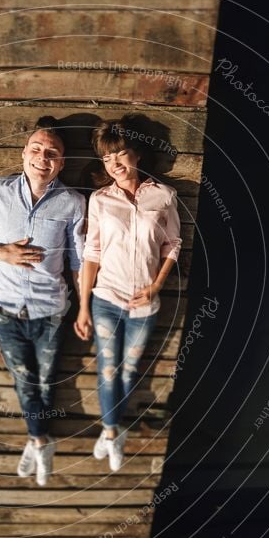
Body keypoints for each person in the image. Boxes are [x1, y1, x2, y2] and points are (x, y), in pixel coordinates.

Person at [0, 121, 85, 485]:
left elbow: (78, 261)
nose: (42, 157)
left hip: (50, 309)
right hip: (7, 306)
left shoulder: (73, 202)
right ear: (23, 152)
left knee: (47, 382)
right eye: (35, 148)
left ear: (61, 163)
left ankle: (38, 442)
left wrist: (84, 308)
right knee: (23, 380)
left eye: (51, 153)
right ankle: (39, 440)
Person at [74, 116, 182, 471]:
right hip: (105, 298)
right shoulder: (101, 200)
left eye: (120, 154)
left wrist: (156, 285)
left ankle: (113, 430)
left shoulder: (164, 195)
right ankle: (111, 431)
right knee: (107, 370)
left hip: (145, 304)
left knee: (129, 370)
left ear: (136, 154)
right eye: (107, 159)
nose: (115, 164)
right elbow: (91, 253)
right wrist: (83, 307)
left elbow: (172, 245)